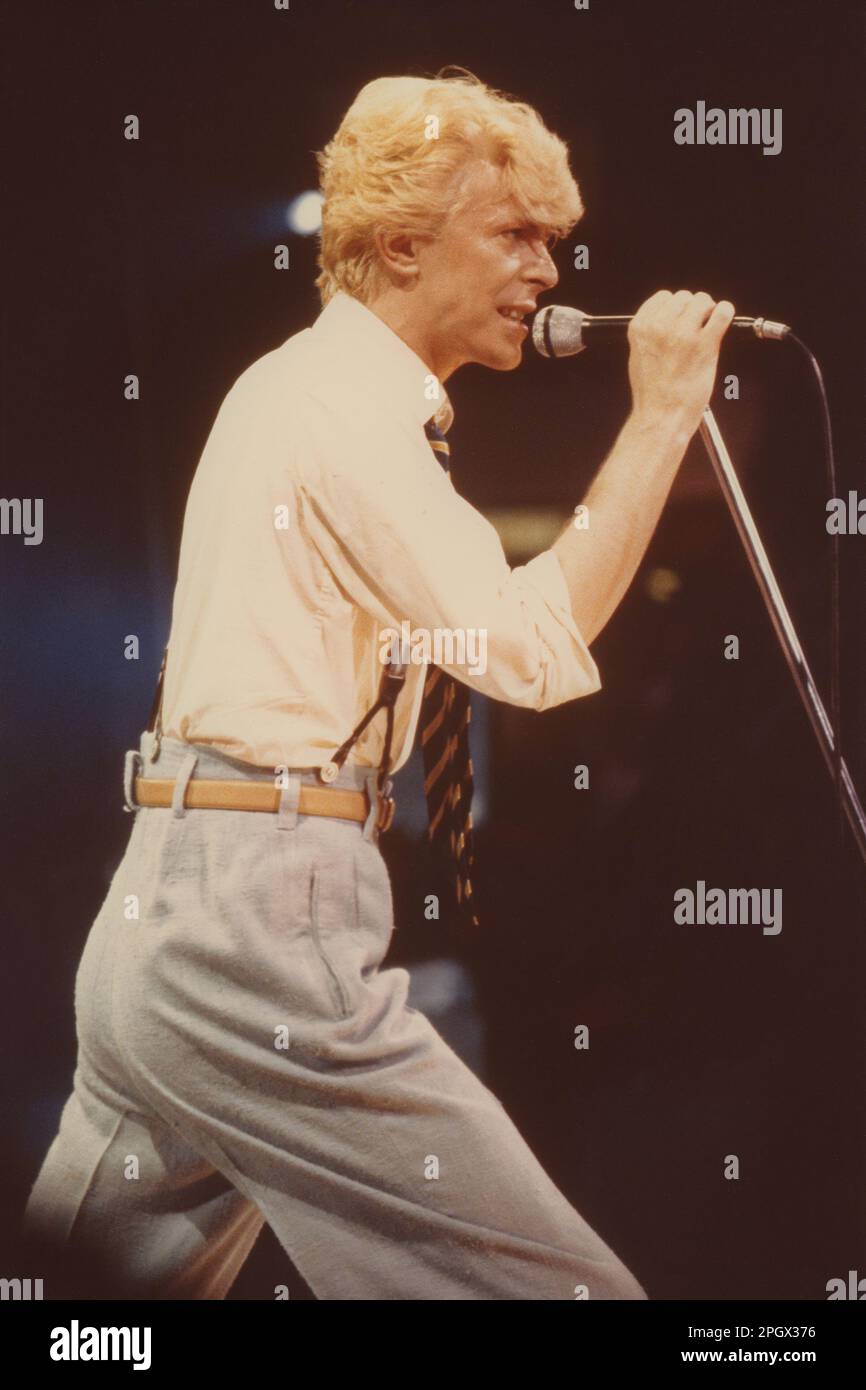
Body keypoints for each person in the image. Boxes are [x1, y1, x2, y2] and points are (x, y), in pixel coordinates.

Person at [21, 69, 733, 1300]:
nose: (548, 273)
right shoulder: (342, 413)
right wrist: (663, 418)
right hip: (256, 917)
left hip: (182, 902)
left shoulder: (315, 395)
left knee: (85, 1319)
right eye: (513, 235)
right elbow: (521, 646)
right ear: (401, 241)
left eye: (552, 242)